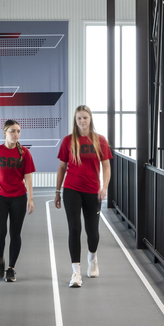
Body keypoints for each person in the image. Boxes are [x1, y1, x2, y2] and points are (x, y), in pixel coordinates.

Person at [55, 106, 112, 288]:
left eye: (85, 118)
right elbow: (62, 167)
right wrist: (57, 191)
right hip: (72, 189)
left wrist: (104, 187)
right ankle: (76, 272)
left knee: (92, 232)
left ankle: (92, 257)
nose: (82, 121)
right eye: (79, 118)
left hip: (92, 191)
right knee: (74, 228)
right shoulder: (68, 141)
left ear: (90, 119)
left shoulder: (100, 141)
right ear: (75, 120)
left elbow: (107, 167)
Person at [0, 119, 35, 281]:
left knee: (15, 233)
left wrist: (30, 198)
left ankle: (11, 268)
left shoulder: (24, 153)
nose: (16, 134)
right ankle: (0, 260)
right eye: (12, 131)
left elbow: (28, 176)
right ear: (4, 133)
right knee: (0, 233)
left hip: (18, 197)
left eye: (18, 131)